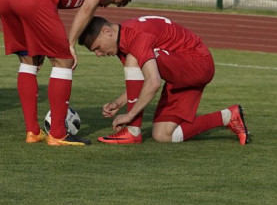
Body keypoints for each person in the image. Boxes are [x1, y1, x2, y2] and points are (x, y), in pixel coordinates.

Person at [0, 0, 132, 146]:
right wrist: (70, 44)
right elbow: (87, 9)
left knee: (29, 62)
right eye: (116, 1)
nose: (107, 5)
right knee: (64, 61)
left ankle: (32, 132)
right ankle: (58, 134)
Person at [78, 15, 250, 145]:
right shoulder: (124, 41)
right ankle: (229, 116)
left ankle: (132, 131)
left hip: (198, 63)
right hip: (181, 73)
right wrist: (118, 103)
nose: (99, 55)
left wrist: (130, 115)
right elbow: (141, 82)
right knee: (163, 135)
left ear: (107, 32)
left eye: (98, 48)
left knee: (134, 58)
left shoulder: (135, 36)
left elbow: (153, 82)